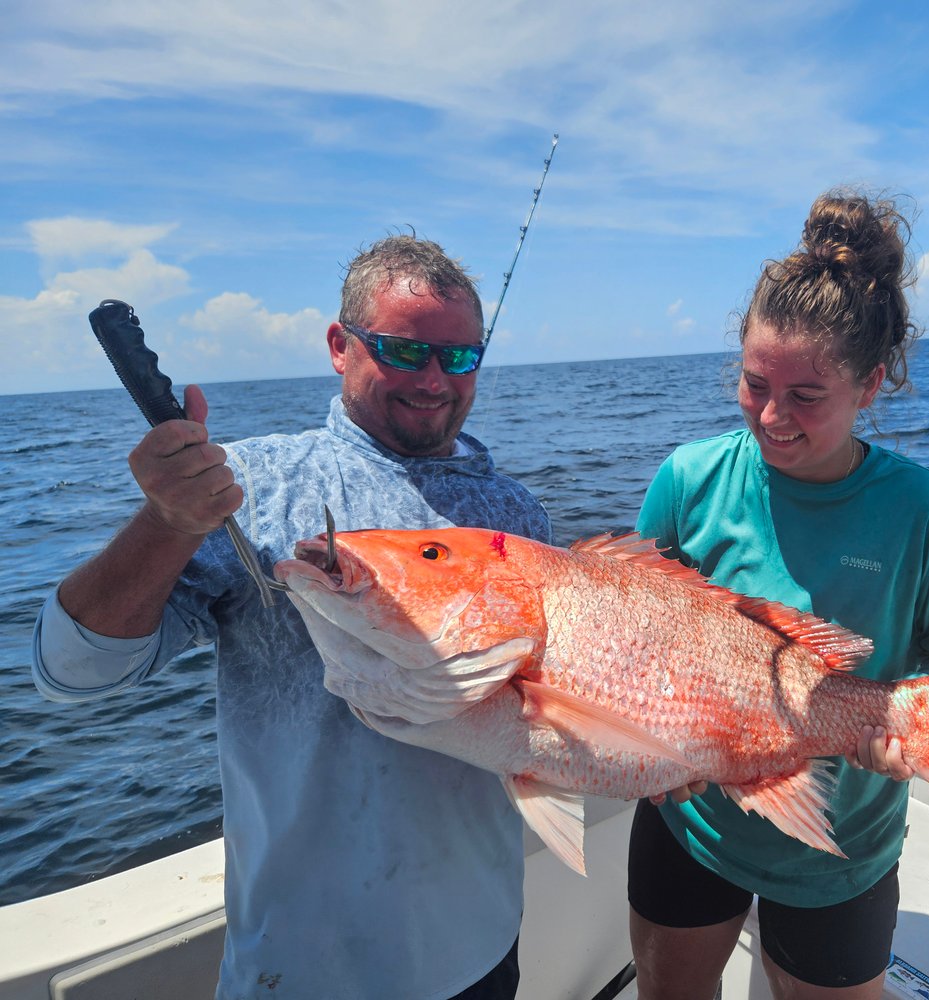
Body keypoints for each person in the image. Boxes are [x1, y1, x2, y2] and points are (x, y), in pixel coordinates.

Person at [32, 234, 551, 1000]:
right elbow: (69, 674)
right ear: (340, 346)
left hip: (480, 944)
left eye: (460, 357)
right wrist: (169, 521)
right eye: (406, 353)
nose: (436, 380)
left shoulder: (514, 511)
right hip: (305, 967)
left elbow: (545, 708)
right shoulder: (250, 487)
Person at [627, 190, 929, 999]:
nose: (772, 416)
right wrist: (648, 744)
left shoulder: (927, 513)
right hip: (688, 826)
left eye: (806, 397)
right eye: (753, 383)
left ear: (869, 386)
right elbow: (638, 624)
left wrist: (904, 733)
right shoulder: (687, 480)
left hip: (841, 846)